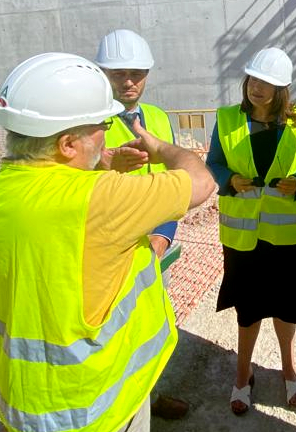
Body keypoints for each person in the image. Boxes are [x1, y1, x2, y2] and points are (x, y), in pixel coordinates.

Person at [0, 52, 216, 432]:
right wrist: (161, 147)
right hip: (98, 406)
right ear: (67, 143)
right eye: (100, 124)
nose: (105, 132)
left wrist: (100, 167)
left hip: (24, 406)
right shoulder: (99, 199)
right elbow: (202, 183)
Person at [205, 47, 296, 415]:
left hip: (286, 237)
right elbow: (214, 162)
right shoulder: (226, 119)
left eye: (267, 83)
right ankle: (243, 374)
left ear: (282, 89)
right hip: (243, 238)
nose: (257, 87)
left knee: (286, 307)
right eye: (253, 79)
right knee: (249, 308)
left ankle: (289, 369)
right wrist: (229, 179)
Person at [95, 29, 188, 420]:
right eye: (118, 74)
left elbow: (171, 188)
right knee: (109, 340)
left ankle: (151, 393)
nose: (129, 81)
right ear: (102, 74)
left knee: (149, 329)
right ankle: (117, 410)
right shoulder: (87, 126)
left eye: (137, 72)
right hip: (108, 258)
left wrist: (164, 237)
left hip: (152, 250)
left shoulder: (160, 119)